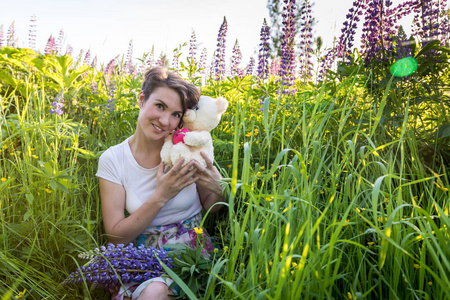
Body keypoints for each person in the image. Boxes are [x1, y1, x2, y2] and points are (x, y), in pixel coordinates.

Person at [95, 66, 226, 299]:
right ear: (142, 100)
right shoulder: (114, 159)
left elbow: (213, 208)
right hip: (143, 254)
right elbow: (116, 237)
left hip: (190, 251)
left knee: (156, 292)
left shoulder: (186, 150)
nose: (165, 121)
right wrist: (161, 195)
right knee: (152, 291)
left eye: (176, 114)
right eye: (160, 106)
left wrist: (218, 188)